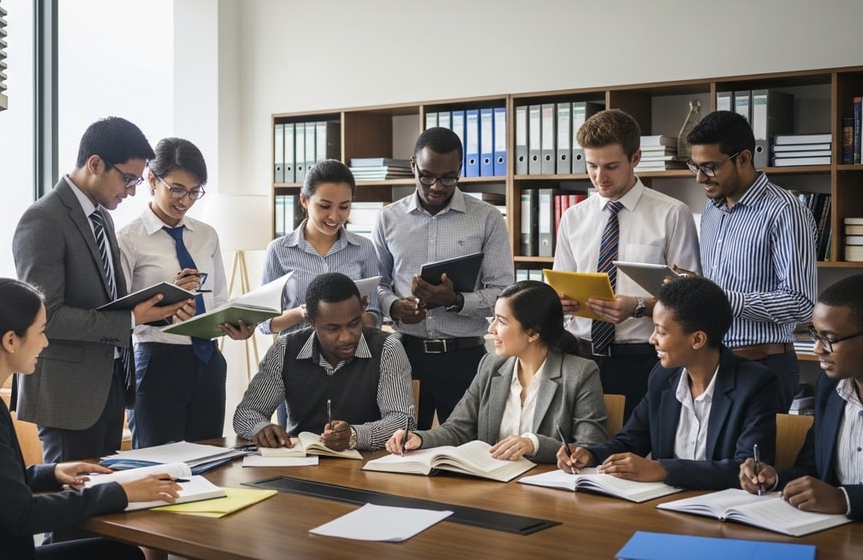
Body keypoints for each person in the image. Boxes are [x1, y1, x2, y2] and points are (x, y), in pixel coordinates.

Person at [0, 278, 181, 560]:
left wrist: (51, 472)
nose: (45, 342)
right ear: (10, 340)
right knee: (122, 555)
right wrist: (120, 492)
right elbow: (23, 515)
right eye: (41, 331)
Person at [12, 117, 192, 464]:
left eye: (138, 181)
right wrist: (130, 318)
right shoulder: (43, 219)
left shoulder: (101, 216)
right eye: (127, 179)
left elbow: (108, 301)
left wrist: (153, 312)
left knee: (106, 501)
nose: (132, 191)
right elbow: (47, 317)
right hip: (67, 393)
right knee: (72, 506)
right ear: (95, 164)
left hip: (108, 386)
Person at [558, 276, 780, 490]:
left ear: (697, 339)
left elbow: (747, 469)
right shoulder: (663, 378)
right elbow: (629, 441)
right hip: (663, 506)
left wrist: (663, 470)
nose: (651, 339)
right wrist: (589, 454)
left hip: (723, 512)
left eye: (661, 331)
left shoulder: (756, 384)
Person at [741, 274, 863, 522]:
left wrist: (845, 499)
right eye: (814, 334)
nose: (818, 348)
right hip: (835, 534)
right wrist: (774, 477)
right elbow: (813, 471)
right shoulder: (830, 388)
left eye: (829, 339)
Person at [553, 109, 701, 415]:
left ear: (635, 158)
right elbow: (561, 281)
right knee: (582, 452)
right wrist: (559, 302)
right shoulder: (573, 217)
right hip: (580, 357)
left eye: (611, 166)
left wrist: (637, 306)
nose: (599, 177)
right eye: (591, 166)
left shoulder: (672, 214)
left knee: (635, 456)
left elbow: (690, 297)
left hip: (645, 358)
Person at [373, 126, 515, 429]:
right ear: (413, 165)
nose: (437, 186)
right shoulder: (388, 219)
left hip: (465, 357)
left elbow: (504, 293)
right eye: (427, 176)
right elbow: (377, 285)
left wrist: (456, 300)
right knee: (402, 451)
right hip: (404, 356)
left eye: (448, 177)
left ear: (460, 170)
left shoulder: (488, 218)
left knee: (470, 452)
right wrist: (394, 307)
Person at [117, 137, 254, 448]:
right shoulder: (129, 240)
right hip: (157, 364)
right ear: (152, 180)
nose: (185, 200)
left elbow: (218, 299)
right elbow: (118, 317)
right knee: (159, 466)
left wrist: (236, 326)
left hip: (208, 363)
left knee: (208, 461)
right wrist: (168, 301)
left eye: (194, 192)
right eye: (176, 189)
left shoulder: (206, 235)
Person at [682, 110, 817, 412]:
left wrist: (721, 300)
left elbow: (801, 302)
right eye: (695, 165)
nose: (699, 177)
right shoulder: (712, 213)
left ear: (743, 158)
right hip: (712, 363)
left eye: (710, 167)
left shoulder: (785, 211)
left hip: (763, 365)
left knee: (755, 460)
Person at [387, 280, 608, 463]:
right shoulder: (491, 366)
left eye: (501, 321)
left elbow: (590, 448)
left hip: (549, 492)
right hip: (495, 485)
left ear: (532, 333)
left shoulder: (580, 373)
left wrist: (534, 443)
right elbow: (457, 429)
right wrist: (418, 438)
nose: (491, 329)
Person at [233, 272, 413, 451]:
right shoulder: (284, 349)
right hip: (300, 465)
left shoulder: (388, 349)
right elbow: (246, 413)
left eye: (353, 323)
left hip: (369, 467)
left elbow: (402, 421)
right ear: (311, 321)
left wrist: (354, 435)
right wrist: (261, 428)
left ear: (362, 310)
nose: (346, 337)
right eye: (333, 328)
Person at [258, 159, 382, 337]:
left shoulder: (364, 248)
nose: (334, 216)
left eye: (344, 207)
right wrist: (302, 313)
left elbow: (375, 315)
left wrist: (351, 317)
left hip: (349, 355)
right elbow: (265, 323)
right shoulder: (278, 250)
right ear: (304, 200)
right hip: (296, 357)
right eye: (325, 206)